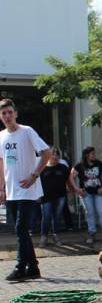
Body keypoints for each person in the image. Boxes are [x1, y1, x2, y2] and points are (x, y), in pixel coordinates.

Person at [0, 99, 51, 281]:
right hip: (12, 190)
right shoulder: (1, 136)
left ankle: (20, 267)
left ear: (16, 114)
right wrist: (1, 188)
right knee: (20, 229)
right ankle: (33, 267)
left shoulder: (27, 131)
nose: (7, 116)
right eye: (3, 113)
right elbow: (1, 163)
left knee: (21, 227)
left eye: (9, 112)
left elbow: (46, 153)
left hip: (28, 189)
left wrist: (34, 176)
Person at [71, 146, 102, 245]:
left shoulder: (98, 164)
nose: (94, 155)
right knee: (90, 213)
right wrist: (77, 189)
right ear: (87, 155)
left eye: (94, 153)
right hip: (86, 193)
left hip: (98, 192)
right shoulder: (80, 165)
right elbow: (71, 177)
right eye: (92, 153)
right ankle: (91, 233)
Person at [39, 147, 70, 246]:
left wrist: (72, 189)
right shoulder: (42, 168)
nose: (55, 156)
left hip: (60, 196)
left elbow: (68, 180)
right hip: (46, 197)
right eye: (53, 154)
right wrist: (37, 195)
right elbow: (37, 183)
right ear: (48, 156)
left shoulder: (63, 167)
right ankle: (44, 236)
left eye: (57, 154)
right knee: (46, 216)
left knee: (57, 217)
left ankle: (56, 235)